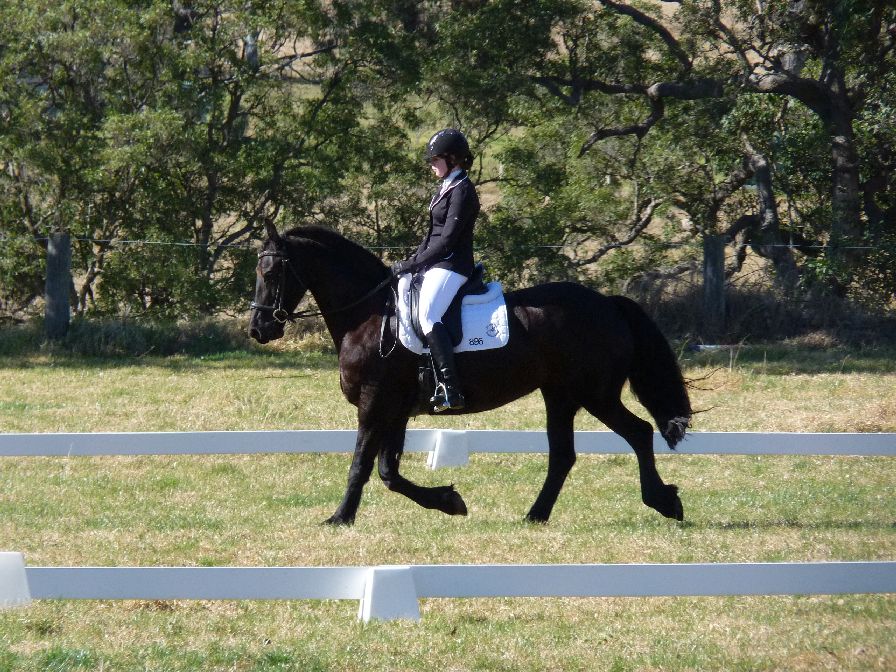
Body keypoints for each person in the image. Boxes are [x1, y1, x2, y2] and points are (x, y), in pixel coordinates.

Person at [391, 128, 480, 412]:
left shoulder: (463, 190)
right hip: (437, 262)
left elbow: (447, 241)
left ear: (452, 159)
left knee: (428, 314)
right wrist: (412, 261)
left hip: (453, 265)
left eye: (435, 159)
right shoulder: (446, 187)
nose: (431, 164)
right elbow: (431, 235)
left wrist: (415, 264)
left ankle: (450, 389)